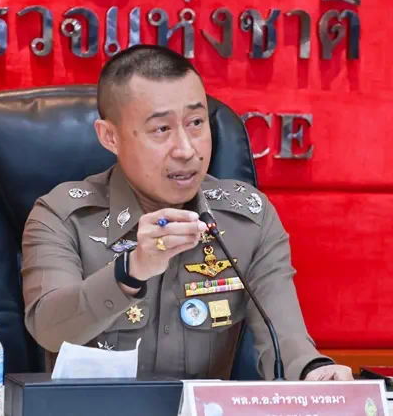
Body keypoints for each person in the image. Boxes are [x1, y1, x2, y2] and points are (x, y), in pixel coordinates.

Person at [21, 44, 353, 381]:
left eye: (196, 123)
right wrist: (130, 271)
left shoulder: (248, 219)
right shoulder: (63, 216)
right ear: (110, 137)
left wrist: (313, 372)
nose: (186, 149)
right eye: (161, 129)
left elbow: (287, 341)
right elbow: (49, 328)